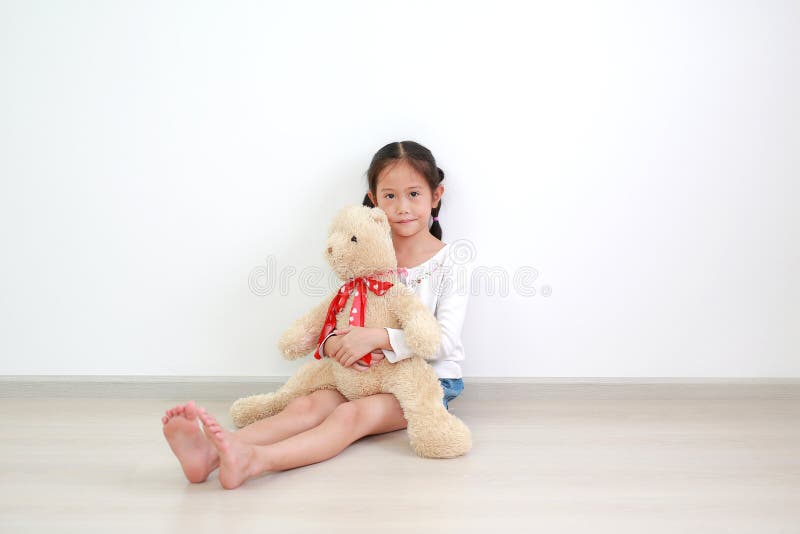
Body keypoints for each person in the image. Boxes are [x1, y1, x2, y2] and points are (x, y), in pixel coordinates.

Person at [161, 140, 472, 489]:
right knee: (305, 407)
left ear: (436, 194)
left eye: (414, 194)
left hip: (424, 383)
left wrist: (376, 338)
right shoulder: (365, 253)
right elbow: (339, 314)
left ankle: (254, 461)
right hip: (362, 373)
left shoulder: (451, 262)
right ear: (373, 199)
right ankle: (210, 456)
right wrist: (336, 342)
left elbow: (443, 343)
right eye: (389, 196)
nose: (402, 207)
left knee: (349, 415)